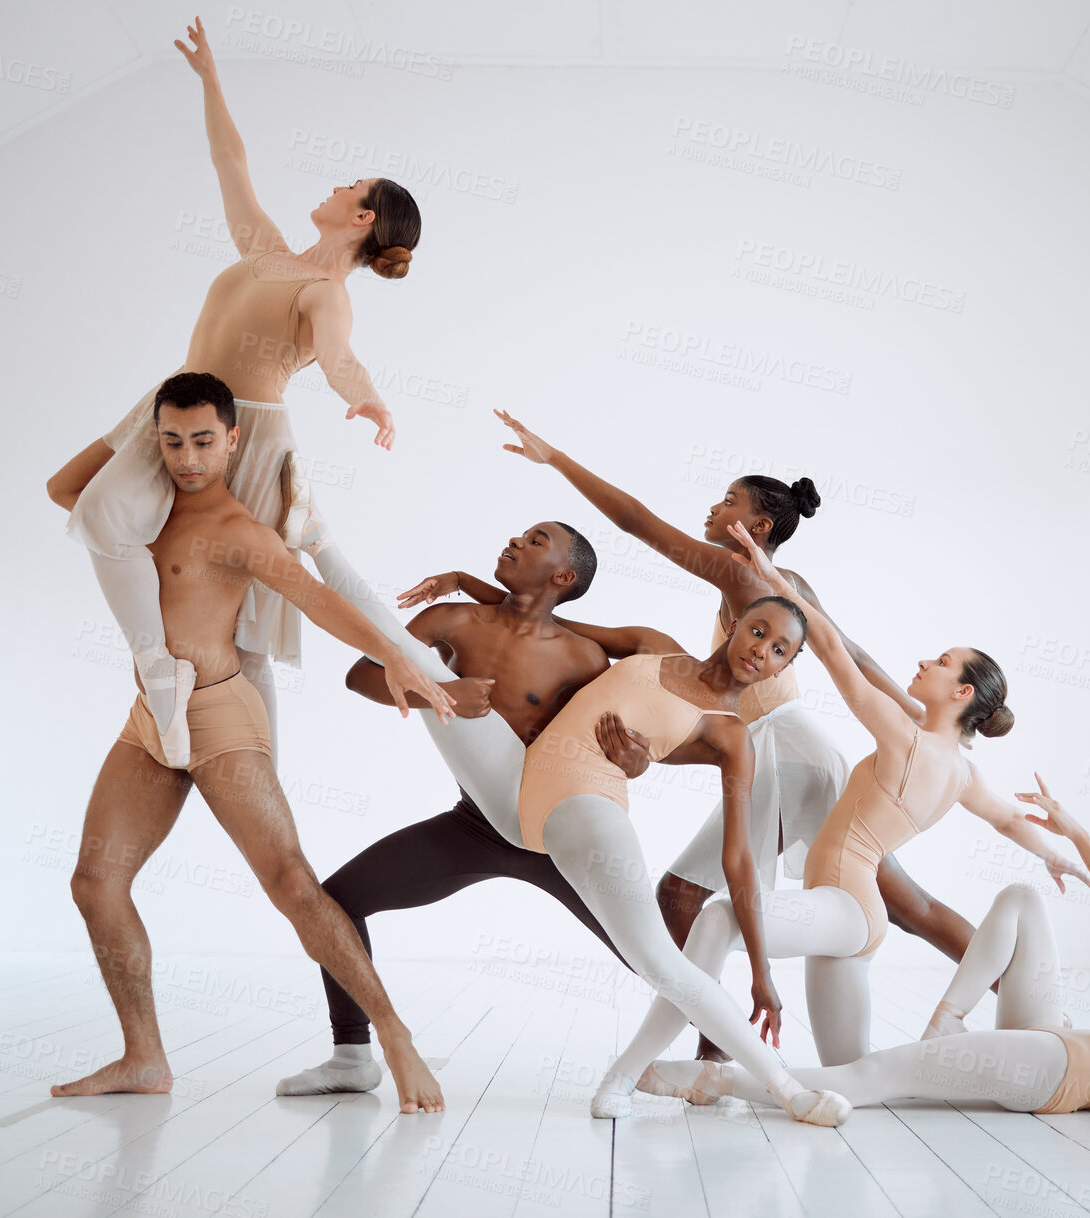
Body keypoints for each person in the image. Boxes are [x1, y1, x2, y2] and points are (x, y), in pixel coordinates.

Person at [485, 408, 1031, 1060]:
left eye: (727, 502)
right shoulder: (788, 584)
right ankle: (1027, 1003)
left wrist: (557, 459)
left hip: (784, 753)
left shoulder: (740, 571)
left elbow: (636, 523)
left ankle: (720, 1059)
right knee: (904, 903)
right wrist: (920, 726)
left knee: (684, 895)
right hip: (799, 749)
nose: (713, 511)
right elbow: (853, 653)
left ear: (758, 525)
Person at [49, 373, 455, 1114]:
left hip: (219, 717)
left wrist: (398, 656)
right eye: (171, 441)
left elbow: (319, 599)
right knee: (94, 884)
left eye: (204, 440)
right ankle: (145, 1057)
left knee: (292, 883)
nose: (188, 457)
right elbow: (62, 487)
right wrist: (135, 416)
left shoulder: (238, 530)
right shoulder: (138, 509)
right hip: (150, 717)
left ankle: (395, 1037)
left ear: (233, 439)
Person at [591, 521, 1090, 1106]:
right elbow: (1008, 820)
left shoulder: (904, 737)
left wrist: (770, 576)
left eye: (942, 662)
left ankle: (632, 1072)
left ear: (961, 694)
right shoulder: (964, 772)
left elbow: (828, 645)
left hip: (847, 909)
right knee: (853, 1075)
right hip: (850, 925)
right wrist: (1060, 853)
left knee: (721, 918)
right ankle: (982, 1064)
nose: (925, 663)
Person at [46, 16, 422, 765]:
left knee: (247, 610)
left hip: (242, 428)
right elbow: (230, 160)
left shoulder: (325, 290)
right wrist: (212, 81)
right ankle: (169, 658)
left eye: (350, 184)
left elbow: (340, 356)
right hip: (176, 403)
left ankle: (253, 757)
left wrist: (369, 396)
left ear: (363, 216)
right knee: (72, 493)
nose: (335, 182)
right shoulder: (268, 251)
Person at [647, 777, 1090, 1115]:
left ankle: (717, 1080)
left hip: (1055, 1073)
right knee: (1024, 901)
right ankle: (946, 1021)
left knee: (874, 1080)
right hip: (1055, 1044)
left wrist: (1078, 834)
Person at [276, 520, 679, 1096]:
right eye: (519, 534)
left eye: (535, 540)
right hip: (474, 826)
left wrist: (637, 764)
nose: (514, 541)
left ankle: (716, 1058)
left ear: (564, 576)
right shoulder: (452, 620)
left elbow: (610, 745)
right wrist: (438, 693)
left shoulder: (584, 657)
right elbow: (363, 673)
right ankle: (352, 1057)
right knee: (336, 899)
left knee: (657, 957)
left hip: (554, 836)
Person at [510, 596, 853, 1126]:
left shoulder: (731, 735)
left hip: (581, 807)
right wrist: (466, 584)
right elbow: (552, 627)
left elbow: (738, 857)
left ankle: (776, 1089)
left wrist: (761, 972)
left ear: (787, 667)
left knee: (662, 961)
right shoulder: (655, 646)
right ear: (735, 626)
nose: (762, 650)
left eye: (780, 649)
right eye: (758, 632)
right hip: (512, 790)